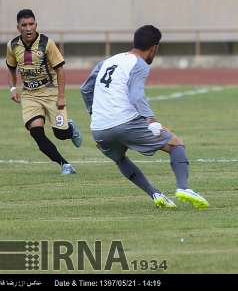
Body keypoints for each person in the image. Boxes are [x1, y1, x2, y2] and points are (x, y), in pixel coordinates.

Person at [80, 25, 209, 209]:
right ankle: (183, 188)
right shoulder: (139, 64)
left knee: (120, 158)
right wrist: (151, 119)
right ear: (154, 47)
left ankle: (155, 194)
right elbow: (136, 96)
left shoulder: (108, 61)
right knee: (175, 144)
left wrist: (95, 114)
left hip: (99, 129)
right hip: (125, 123)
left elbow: (85, 89)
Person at [6, 9, 82, 175]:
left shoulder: (47, 43)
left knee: (61, 134)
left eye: (31, 24)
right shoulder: (12, 46)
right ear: (18, 27)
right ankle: (65, 165)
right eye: (24, 25)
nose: (28, 28)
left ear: (36, 25)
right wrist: (13, 88)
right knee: (36, 133)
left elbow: (60, 70)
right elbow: (11, 68)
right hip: (29, 95)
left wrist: (61, 96)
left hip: (51, 92)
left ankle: (70, 128)